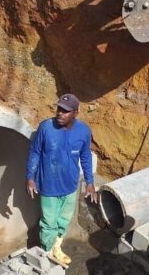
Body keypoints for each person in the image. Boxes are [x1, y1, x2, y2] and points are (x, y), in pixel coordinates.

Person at [26, 93, 97, 265]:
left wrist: (90, 182)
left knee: (63, 220)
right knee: (48, 222)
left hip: (70, 185)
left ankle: (56, 247)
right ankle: (47, 252)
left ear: (75, 113)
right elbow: (35, 152)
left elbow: (85, 156)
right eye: (59, 109)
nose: (60, 113)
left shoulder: (84, 131)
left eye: (65, 111)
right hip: (48, 185)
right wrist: (30, 177)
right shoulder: (46, 128)